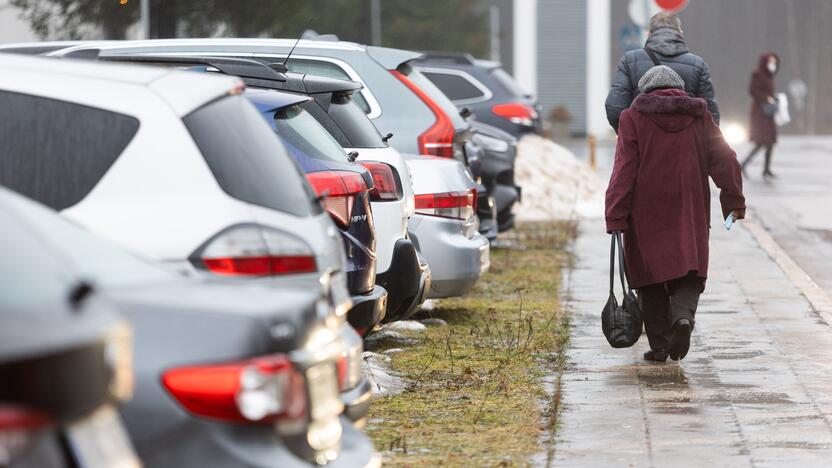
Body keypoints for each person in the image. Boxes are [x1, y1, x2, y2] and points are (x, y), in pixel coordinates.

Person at [605, 66, 746, 362]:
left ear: (643, 91)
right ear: (682, 90)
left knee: (649, 274)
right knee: (689, 266)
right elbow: (725, 158)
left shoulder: (632, 119)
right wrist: (733, 201)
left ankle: (660, 345)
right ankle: (682, 318)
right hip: (689, 206)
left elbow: (624, 170)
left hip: (646, 210)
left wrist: (615, 213)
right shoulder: (699, 117)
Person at [605, 11, 719, 133]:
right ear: (680, 34)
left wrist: (631, 137)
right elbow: (710, 114)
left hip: (645, 146)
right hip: (685, 147)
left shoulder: (630, 61)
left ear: (648, 34)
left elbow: (614, 107)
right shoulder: (698, 64)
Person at [742, 53, 781, 177]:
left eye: (774, 62)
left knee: (770, 142)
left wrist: (773, 98)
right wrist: (766, 97)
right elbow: (752, 90)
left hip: (768, 112)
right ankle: (743, 164)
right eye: (770, 61)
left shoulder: (770, 76)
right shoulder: (757, 74)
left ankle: (766, 169)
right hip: (760, 112)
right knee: (760, 142)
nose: (773, 64)